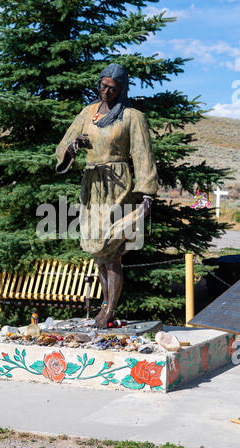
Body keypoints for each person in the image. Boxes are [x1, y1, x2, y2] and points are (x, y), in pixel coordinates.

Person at [56, 64, 158, 328]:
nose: (106, 91)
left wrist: (147, 194)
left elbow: (142, 153)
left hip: (118, 185)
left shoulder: (132, 117)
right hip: (92, 185)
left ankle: (110, 308)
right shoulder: (87, 113)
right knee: (97, 252)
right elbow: (63, 145)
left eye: (113, 88)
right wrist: (73, 146)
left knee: (112, 249)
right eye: (103, 85)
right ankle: (105, 305)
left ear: (122, 89)